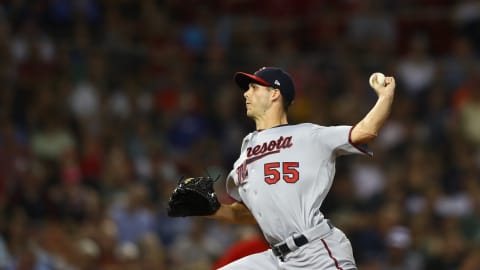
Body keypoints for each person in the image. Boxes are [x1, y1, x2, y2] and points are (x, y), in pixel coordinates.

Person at [209, 66, 395, 269]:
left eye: (254, 88)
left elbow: (365, 131)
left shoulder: (309, 135)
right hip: (276, 258)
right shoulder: (246, 150)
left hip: (316, 250)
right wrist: (213, 209)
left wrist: (385, 97)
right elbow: (251, 213)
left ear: (274, 93)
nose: (246, 93)